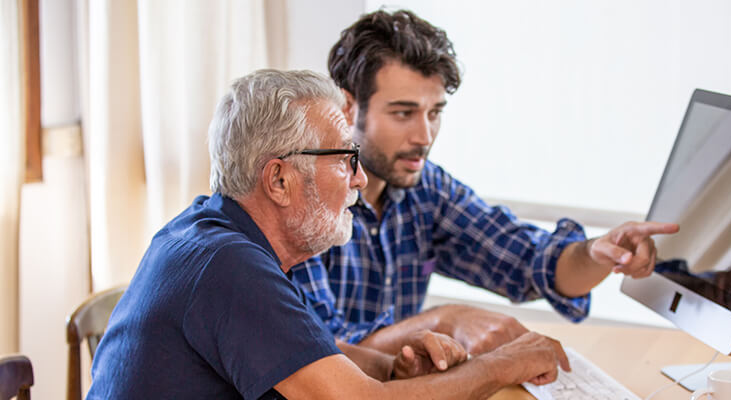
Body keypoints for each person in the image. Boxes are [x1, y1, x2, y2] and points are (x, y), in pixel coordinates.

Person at [87, 69, 570, 399]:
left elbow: (305, 353)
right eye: (344, 160)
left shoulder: (217, 235)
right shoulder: (227, 267)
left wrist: (390, 367)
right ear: (279, 180)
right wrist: (507, 363)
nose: (359, 180)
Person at [290, 9, 680, 356]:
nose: (425, 136)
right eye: (403, 113)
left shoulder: (425, 191)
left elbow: (530, 262)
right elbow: (321, 352)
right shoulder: (302, 202)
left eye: (435, 112)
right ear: (347, 106)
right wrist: (443, 321)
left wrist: (597, 252)